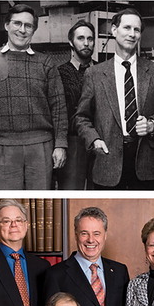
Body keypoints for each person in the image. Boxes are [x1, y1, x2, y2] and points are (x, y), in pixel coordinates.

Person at [0, 3, 68, 190]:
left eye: (28, 26)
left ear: (34, 30)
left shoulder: (46, 62)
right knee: (8, 202)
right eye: (17, 23)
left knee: (40, 200)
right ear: (7, 25)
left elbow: (59, 106)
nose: (22, 30)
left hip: (41, 147)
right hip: (1, 147)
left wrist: (60, 144)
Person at [74, 8, 154, 190]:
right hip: (107, 161)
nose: (132, 34)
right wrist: (94, 139)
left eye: (136, 30)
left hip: (145, 162)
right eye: (127, 28)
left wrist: (153, 124)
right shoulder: (95, 74)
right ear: (114, 30)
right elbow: (81, 118)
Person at [57, 20, 97, 190]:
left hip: (100, 139)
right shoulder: (59, 73)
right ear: (71, 42)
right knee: (72, 189)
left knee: (99, 190)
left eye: (90, 38)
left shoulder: (103, 71)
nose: (86, 43)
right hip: (73, 142)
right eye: (81, 38)